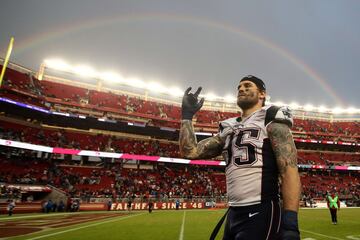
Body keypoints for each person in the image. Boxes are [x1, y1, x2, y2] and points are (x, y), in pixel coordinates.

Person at [179, 75, 301, 240]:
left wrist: (290, 223)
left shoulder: (271, 119)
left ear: (262, 94)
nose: (241, 89)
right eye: (239, 87)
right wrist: (186, 117)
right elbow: (190, 151)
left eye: (248, 85)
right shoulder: (229, 128)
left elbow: (289, 171)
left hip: (262, 209)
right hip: (234, 212)